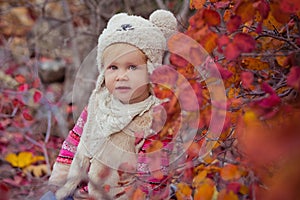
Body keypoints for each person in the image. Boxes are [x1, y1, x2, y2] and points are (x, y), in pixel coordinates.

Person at [44, 9, 178, 200]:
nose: (121, 76)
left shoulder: (154, 115)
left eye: (132, 67)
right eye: (113, 67)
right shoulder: (98, 105)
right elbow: (74, 142)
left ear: (150, 71)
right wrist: (59, 181)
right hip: (82, 191)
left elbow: (152, 174)